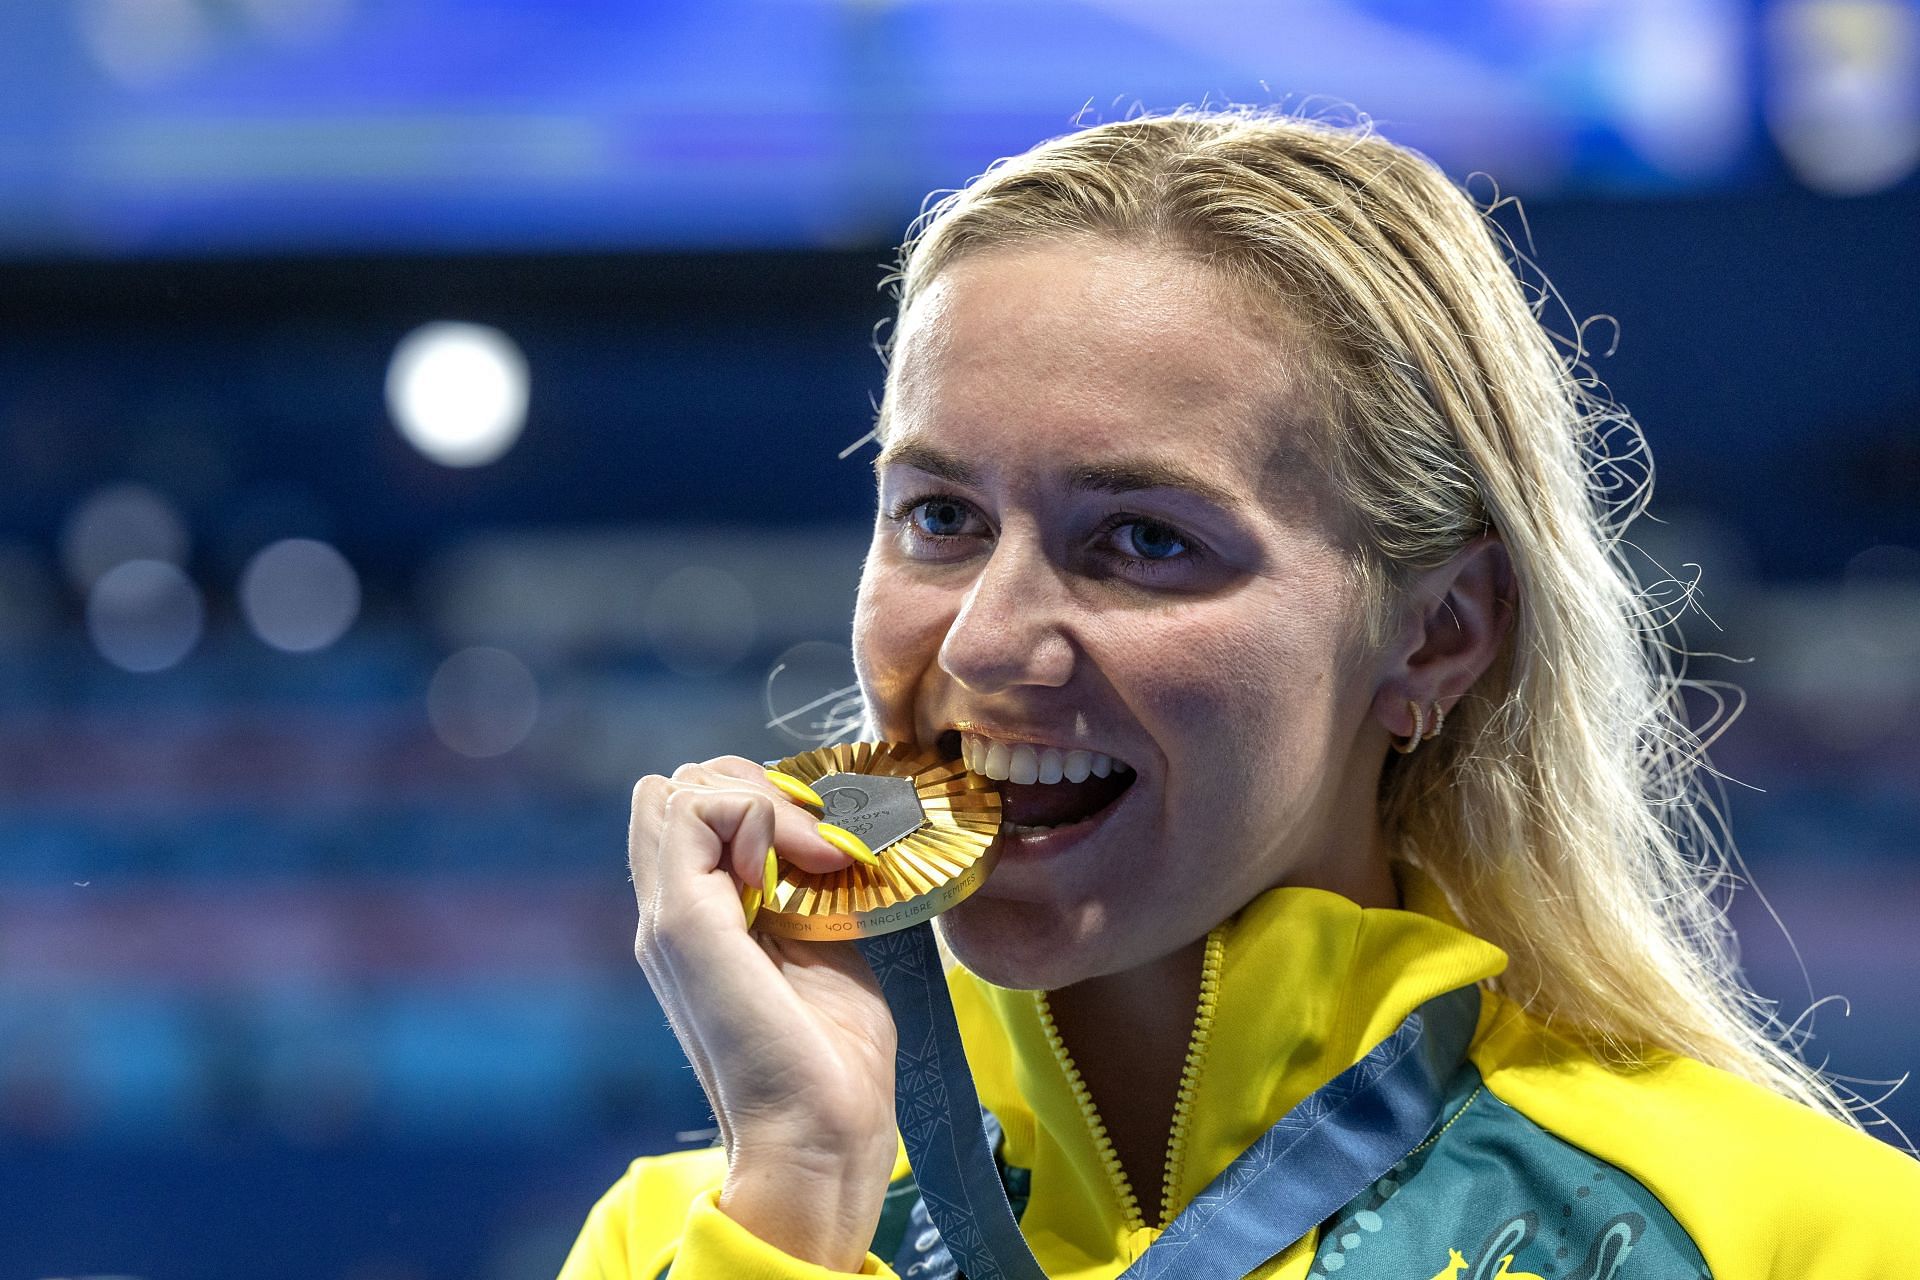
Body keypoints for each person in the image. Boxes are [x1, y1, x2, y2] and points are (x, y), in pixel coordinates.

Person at [560, 109, 1919, 1279]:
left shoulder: (1779, 1237)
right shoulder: (701, 1236)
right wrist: (802, 1183)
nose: (983, 643)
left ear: (1438, 634)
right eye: (939, 518)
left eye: (1145, 539)